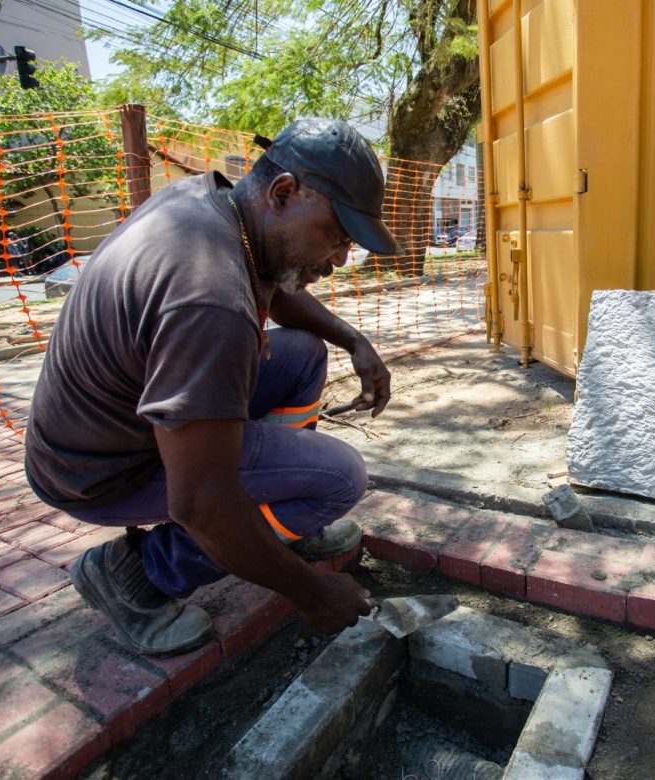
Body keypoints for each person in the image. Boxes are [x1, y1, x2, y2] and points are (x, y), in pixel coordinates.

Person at [24, 118, 401, 656]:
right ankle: (142, 573)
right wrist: (311, 591)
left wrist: (353, 339)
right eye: (337, 234)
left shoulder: (209, 206)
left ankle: (281, 524)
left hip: (110, 430)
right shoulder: (210, 300)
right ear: (284, 192)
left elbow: (273, 280)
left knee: (300, 354)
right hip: (99, 472)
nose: (340, 259)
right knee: (339, 479)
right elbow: (202, 501)